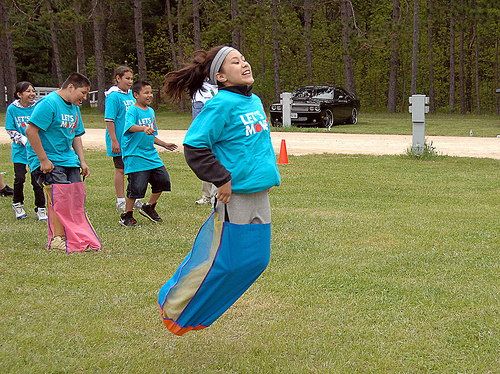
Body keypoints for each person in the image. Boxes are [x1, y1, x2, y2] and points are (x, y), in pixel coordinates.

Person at [164, 46, 281, 221]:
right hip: (234, 195)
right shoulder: (219, 105)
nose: (244, 64)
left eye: (243, 59)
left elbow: (260, 142)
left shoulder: (254, 100)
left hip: (260, 192)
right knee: (232, 247)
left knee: (258, 248)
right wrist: (222, 179)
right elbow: (194, 146)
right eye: (235, 62)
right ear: (221, 77)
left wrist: (265, 174)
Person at [26, 72, 92, 252]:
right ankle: (57, 239)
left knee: (74, 199)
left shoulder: (74, 107)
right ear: (71, 87)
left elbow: (76, 135)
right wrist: (43, 160)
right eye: (83, 93)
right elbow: (31, 131)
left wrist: (82, 161)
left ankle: (73, 236)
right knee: (58, 200)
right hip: (50, 161)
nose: (84, 98)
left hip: (68, 159)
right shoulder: (49, 104)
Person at [119, 80, 177, 227]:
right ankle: (127, 215)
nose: (149, 95)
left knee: (163, 181)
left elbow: (152, 134)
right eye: (146, 92)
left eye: (151, 92)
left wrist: (164, 144)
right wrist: (143, 128)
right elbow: (130, 126)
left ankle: (149, 207)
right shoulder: (133, 110)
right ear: (136, 95)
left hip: (150, 154)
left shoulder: (151, 111)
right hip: (135, 155)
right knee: (136, 188)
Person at [5, 81, 47, 220]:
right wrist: (24, 140)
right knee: (19, 178)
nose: (32, 94)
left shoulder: (37, 107)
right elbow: (10, 129)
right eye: (28, 91)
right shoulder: (12, 109)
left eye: (33, 91)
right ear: (19, 94)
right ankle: (18, 204)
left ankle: (41, 208)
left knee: (37, 180)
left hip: (35, 151)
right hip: (20, 151)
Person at [104, 65, 142, 211]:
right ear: (118, 79)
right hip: (120, 139)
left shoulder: (132, 95)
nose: (130, 81)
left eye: (131, 78)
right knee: (120, 168)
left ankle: (134, 197)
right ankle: (120, 200)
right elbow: (109, 119)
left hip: (132, 140)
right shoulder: (113, 96)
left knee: (134, 168)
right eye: (127, 78)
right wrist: (114, 140)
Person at [191, 78, 218, 205]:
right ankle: (207, 196)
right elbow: (197, 111)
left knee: (221, 160)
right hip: (207, 130)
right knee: (209, 161)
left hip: (222, 130)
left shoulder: (225, 85)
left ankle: (216, 195)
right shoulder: (201, 89)